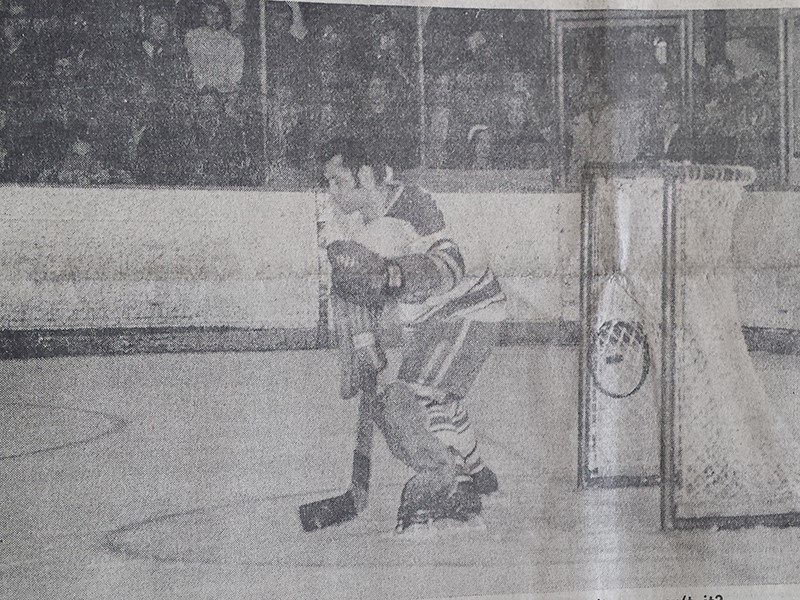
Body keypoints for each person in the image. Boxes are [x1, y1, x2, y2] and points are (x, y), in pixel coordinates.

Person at [320, 137, 506, 532]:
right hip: (426, 320)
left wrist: (396, 273)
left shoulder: (412, 206)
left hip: (468, 308)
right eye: (328, 183)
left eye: (338, 182)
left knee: (415, 397)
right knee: (436, 398)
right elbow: (351, 292)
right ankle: (477, 475)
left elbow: (450, 264)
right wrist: (363, 344)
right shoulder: (349, 225)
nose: (331, 192)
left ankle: (445, 488)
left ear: (365, 175)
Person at [184, 0, 244, 94]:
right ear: (204, 15)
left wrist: (222, 89)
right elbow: (191, 65)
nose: (214, 18)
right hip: (198, 92)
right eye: (210, 13)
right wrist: (202, 87)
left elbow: (236, 74)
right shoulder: (193, 37)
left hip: (224, 93)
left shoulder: (233, 42)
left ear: (224, 15)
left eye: (218, 13)